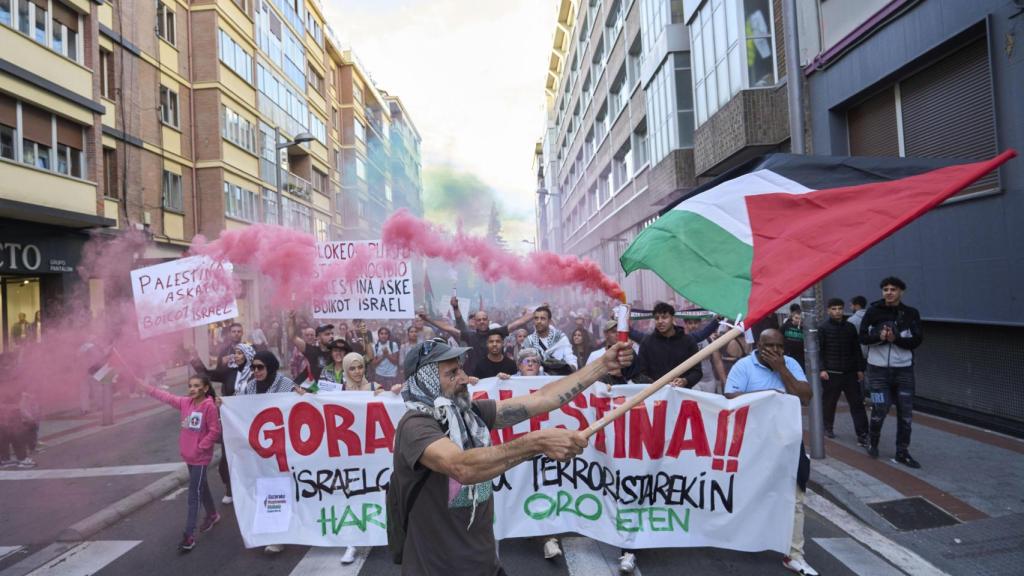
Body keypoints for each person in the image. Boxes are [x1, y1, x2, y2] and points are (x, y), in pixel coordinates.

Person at [391, 337, 634, 574]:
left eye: (461, 369)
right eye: (452, 373)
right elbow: (462, 467)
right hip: (437, 568)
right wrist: (536, 442)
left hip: (484, 563)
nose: (464, 378)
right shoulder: (416, 426)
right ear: (426, 382)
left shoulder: (469, 414)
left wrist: (602, 365)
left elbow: (543, 398)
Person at [724, 329, 816, 576]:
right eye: (769, 346)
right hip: (754, 444)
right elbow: (730, 398)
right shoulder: (744, 367)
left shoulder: (791, 364)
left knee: (795, 499)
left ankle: (794, 554)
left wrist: (782, 370)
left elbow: (805, 396)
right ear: (758, 346)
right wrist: (768, 397)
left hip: (787, 443)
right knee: (750, 493)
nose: (775, 351)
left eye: (779, 346)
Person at [141, 375, 221, 552]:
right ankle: (213, 514)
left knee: (194, 494)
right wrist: (147, 388)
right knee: (202, 485)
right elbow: (166, 397)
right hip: (189, 456)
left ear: (205, 388)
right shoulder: (185, 403)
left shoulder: (209, 407)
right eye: (190, 386)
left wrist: (201, 446)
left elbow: (215, 431)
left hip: (200, 458)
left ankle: (189, 536)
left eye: (196, 386)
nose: (192, 389)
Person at [859, 277, 923, 468]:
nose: (888, 292)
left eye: (893, 289)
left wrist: (895, 339)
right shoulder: (872, 312)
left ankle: (902, 452)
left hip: (904, 371)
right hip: (877, 372)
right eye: (885, 289)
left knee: (906, 413)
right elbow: (862, 337)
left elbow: (917, 340)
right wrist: (878, 337)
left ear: (901, 292)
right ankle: (873, 441)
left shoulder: (910, 313)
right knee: (880, 407)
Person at [190, 342, 255, 504]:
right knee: (228, 455)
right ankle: (229, 488)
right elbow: (207, 375)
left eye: (240, 353)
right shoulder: (229, 372)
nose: (237, 356)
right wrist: (195, 358)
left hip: (250, 421)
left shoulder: (256, 373)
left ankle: (251, 485)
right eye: (236, 353)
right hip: (231, 421)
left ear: (247, 355)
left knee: (249, 454)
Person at [422, 298, 532, 375]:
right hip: (476, 378)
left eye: (484, 319)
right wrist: (428, 319)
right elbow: (448, 328)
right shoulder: (470, 336)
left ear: (488, 321)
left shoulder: (497, 332)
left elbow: (516, 324)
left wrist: (535, 314)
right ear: (475, 322)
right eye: (479, 320)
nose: (482, 322)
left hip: (497, 376)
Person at [818, 298, 868, 444]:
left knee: (857, 404)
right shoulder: (823, 328)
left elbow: (856, 350)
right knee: (829, 403)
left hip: (850, 373)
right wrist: (822, 369)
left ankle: (863, 433)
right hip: (831, 373)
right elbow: (820, 351)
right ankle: (828, 427)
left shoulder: (850, 327)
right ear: (828, 310)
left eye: (840, 308)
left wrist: (860, 368)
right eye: (834, 309)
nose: (837, 311)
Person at [635, 302, 702, 387]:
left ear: (673, 318)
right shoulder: (647, 342)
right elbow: (640, 372)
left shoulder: (688, 341)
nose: (660, 321)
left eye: (664, 317)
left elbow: (697, 371)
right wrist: (654, 384)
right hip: (655, 395)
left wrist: (685, 381)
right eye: (656, 318)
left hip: (682, 394)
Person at [524, 306, 577, 372]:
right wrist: (530, 364)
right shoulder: (529, 341)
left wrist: (571, 367)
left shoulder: (560, 338)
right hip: (536, 379)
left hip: (558, 379)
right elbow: (524, 361)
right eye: (536, 318)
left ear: (549, 321)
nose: (539, 321)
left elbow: (569, 357)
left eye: (542, 318)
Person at [683, 316, 727, 393]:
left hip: (709, 381)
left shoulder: (709, 339)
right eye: (690, 323)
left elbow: (717, 362)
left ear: (700, 323)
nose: (693, 326)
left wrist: (724, 380)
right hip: (693, 382)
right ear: (685, 324)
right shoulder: (683, 341)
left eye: (696, 323)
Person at [289, 319, 335, 388]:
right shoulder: (312, 351)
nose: (331, 336)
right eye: (327, 334)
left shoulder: (336, 353)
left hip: (328, 393)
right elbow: (293, 337)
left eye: (332, 334)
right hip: (312, 391)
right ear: (318, 338)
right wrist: (292, 319)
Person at [781, 304, 805, 370]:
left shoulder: (804, 328)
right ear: (792, 317)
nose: (798, 320)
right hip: (788, 354)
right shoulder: (786, 326)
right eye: (796, 318)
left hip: (800, 356)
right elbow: (780, 335)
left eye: (800, 318)